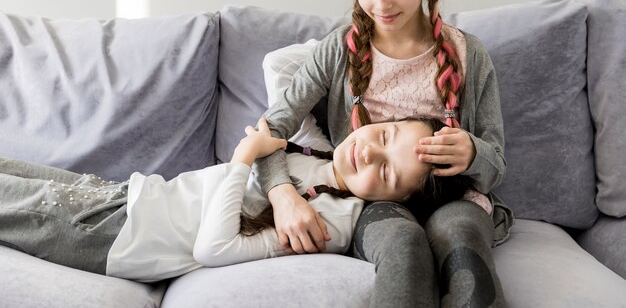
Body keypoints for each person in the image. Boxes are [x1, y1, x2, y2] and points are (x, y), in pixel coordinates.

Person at [257, 0, 513, 308]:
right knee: (403, 245)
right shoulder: (339, 51)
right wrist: (282, 196)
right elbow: (270, 130)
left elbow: (496, 164)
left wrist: (472, 152)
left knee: (462, 240)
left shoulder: (467, 54)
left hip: (454, 201)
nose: (381, 4)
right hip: (372, 206)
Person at [0, 117, 467, 283]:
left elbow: (213, 250)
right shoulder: (323, 152)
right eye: (383, 134)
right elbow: (287, 65)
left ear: (398, 200)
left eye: (385, 170)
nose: (368, 151)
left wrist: (245, 157)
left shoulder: (331, 221)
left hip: (120, 236)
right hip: (128, 196)